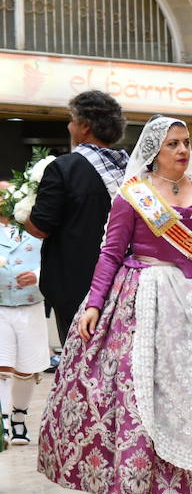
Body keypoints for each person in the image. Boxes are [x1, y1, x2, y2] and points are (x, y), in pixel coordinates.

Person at [36, 116, 192, 494]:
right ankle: (149, 479)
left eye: (186, 143)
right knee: (148, 388)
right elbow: (111, 253)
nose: (183, 150)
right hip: (148, 294)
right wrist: (95, 303)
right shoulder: (134, 195)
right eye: (174, 144)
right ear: (154, 152)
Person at [24, 90, 129, 344]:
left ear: (85, 127)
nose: (69, 125)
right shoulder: (129, 168)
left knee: (79, 363)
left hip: (74, 285)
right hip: (124, 283)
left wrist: (23, 212)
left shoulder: (64, 168)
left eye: (72, 119)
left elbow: (41, 227)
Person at [0, 190, 44, 447]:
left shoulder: (39, 228)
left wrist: (38, 275)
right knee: (2, 366)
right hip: (1, 305)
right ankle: (3, 422)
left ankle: (19, 416)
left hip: (31, 305)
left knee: (27, 369)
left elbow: (55, 258)